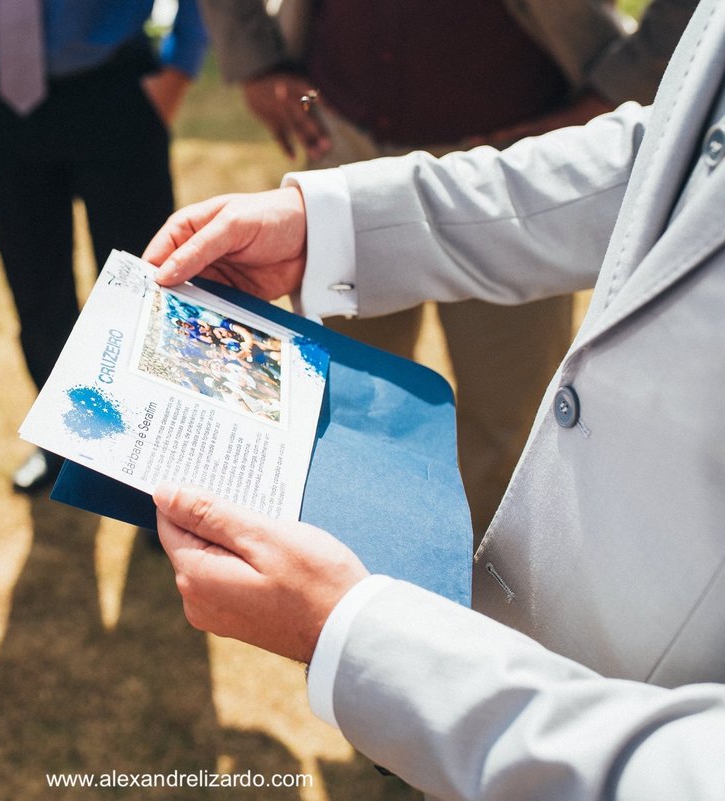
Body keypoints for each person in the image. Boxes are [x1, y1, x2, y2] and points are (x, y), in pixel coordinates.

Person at [139, 0, 725, 795]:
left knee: (502, 433)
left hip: (520, 107)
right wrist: (332, 224)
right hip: (367, 125)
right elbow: (676, 152)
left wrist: (368, 646)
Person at [197, 0, 697, 536]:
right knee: (341, 412)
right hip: (341, 129)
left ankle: (481, 580)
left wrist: (614, 92)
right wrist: (255, 59)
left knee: (510, 426)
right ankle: (357, 564)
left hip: (529, 153)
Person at [0, 0, 207, 492]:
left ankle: (154, 465)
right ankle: (68, 443)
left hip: (115, 87)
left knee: (148, 292)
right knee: (36, 290)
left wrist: (180, 68)